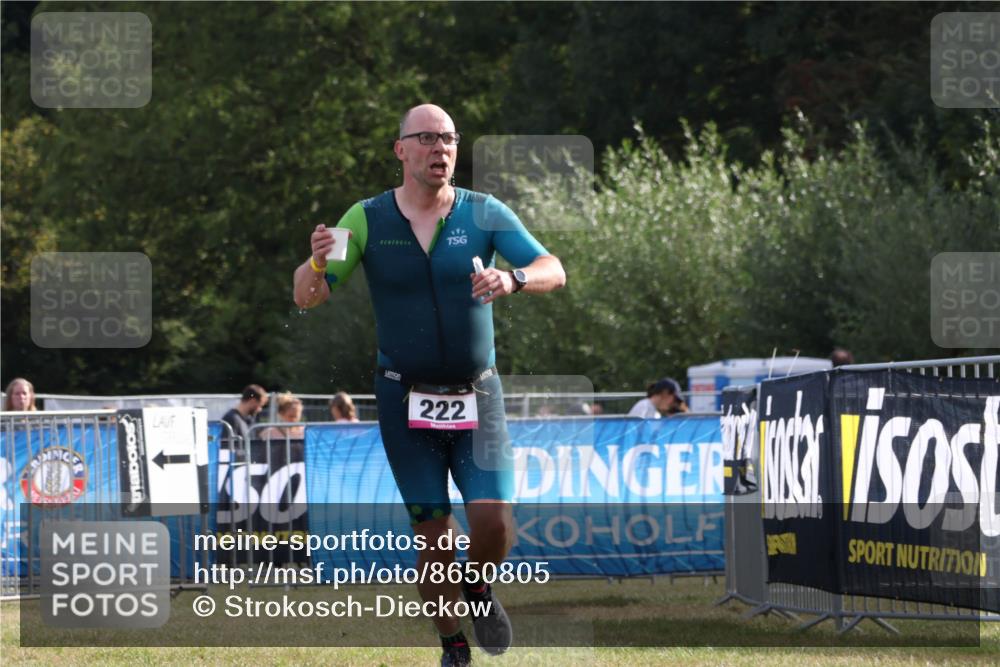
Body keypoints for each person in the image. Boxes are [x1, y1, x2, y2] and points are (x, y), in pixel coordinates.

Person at [293, 103, 566, 665]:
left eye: (449, 139)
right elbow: (306, 296)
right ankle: (454, 645)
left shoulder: (484, 212)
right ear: (401, 151)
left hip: (478, 395)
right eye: (427, 139)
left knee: (494, 522)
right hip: (404, 399)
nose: (441, 149)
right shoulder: (365, 219)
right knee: (434, 538)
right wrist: (318, 265)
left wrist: (513, 278)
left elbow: (552, 268)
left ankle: (479, 587)